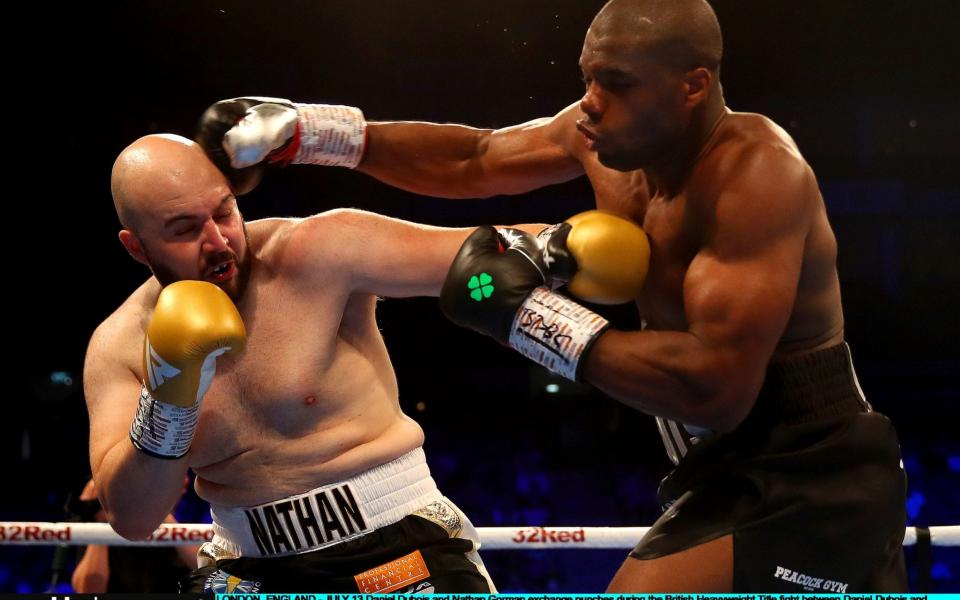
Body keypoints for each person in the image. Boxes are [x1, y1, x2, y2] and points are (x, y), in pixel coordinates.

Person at [195, 0, 908, 592]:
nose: (591, 104)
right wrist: (310, 133)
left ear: (692, 85)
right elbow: (475, 159)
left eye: (618, 83)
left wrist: (528, 317)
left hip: (809, 468)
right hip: (716, 468)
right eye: (588, 78)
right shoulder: (601, 134)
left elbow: (714, 387)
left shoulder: (755, 176)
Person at [86, 133, 518, 593]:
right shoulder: (120, 344)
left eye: (224, 212)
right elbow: (132, 518)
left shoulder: (317, 252)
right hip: (246, 567)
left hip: (395, 539)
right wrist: (169, 395)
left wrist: (566, 251)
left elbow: (487, 259)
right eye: (184, 229)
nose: (218, 241)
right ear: (137, 248)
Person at [70, 478, 198, 592]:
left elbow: (212, 575)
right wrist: (103, 519)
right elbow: (87, 590)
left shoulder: (187, 516)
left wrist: (161, 513)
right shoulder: (93, 516)